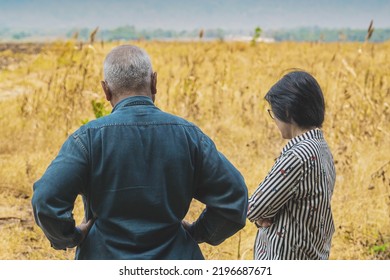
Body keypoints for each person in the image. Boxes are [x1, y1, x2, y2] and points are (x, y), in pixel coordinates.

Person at [32, 45, 248, 260]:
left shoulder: (87, 139)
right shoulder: (189, 136)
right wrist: (198, 232)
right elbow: (234, 197)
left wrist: (70, 237)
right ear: (154, 82)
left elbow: (46, 199)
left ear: (106, 90)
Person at [247, 70, 336, 260]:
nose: (275, 121)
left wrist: (261, 214)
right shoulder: (322, 148)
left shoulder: (297, 155)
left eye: (274, 113)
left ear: (287, 111)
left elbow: (254, 208)